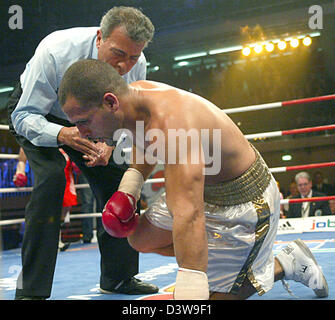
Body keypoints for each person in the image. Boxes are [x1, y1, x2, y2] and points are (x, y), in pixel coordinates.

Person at [59, 59, 328, 300]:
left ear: (110, 102)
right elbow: (144, 140)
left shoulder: (174, 126)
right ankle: (223, 264)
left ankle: (285, 263)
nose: (80, 132)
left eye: (84, 121)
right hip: (202, 191)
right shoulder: (133, 99)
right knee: (139, 238)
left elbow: (188, 213)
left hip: (245, 202)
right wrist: (131, 186)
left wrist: (191, 290)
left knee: (207, 300)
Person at [7, 7, 158, 299]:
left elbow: (126, 119)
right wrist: (63, 133)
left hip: (95, 121)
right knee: (52, 180)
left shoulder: (137, 66)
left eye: (133, 57)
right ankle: (30, 292)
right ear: (100, 37)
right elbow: (24, 115)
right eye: (118, 53)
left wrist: (109, 145)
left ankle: (119, 277)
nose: (124, 65)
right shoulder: (57, 50)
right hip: (40, 114)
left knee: (121, 183)